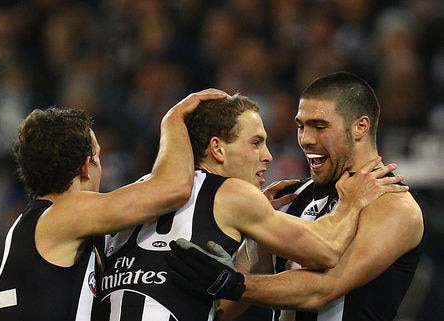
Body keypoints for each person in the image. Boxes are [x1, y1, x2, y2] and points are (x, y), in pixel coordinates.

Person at [95, 93, 408, 321]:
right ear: (217, 148)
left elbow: (216, 312)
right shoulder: (232, 194)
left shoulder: (135, 194)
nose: (268, 156)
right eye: (256, 142)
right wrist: (351, 203)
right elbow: (325, 250)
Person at [167, 72, 425, 321]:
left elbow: (321, 291)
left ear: (360, 126)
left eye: (320, 126)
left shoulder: (394, 205)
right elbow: (223, 310)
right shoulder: (287, 198)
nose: (306, 139)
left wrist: (231, 282)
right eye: (301, 126)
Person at [0, 88, 231, 321]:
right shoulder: (65, 214)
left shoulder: (34, 225)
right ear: (86, 166)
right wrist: (173, 120)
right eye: (98, 157)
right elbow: (174, 187)